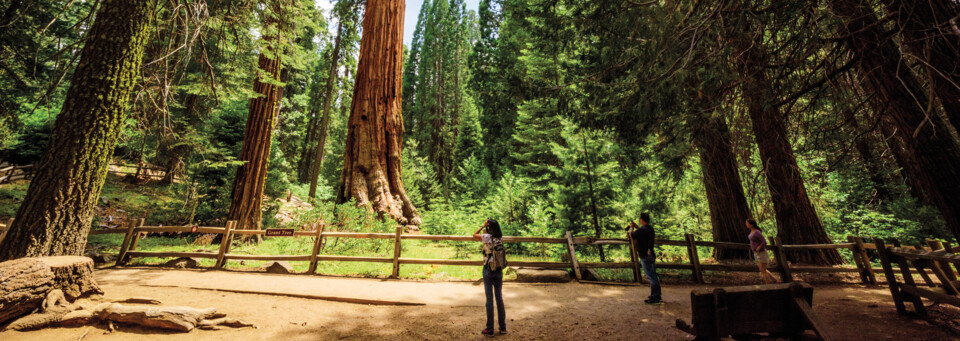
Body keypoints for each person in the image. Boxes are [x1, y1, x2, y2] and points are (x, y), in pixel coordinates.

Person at [473, 218, 506, 336]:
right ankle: (502, 327)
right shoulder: (500, 238)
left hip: (488, 269)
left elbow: (474, 235)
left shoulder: (486, 237)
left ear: (489, 227)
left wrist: (482, 226)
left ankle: (490, 329)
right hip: (498, 269)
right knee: (499, 298)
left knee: (489, 300)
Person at [628, 213, 662, 304]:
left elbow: (632, 235)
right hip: (651, 254)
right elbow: (641, 233)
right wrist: (637, 227)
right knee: (653, 275)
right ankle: (656, 295)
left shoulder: (642, 230)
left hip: (645, 256)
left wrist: (631, 227)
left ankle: (655, 298)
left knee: (651, 276)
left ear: (642, 220)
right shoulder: (650, 229)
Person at [746, 218, 781, 284]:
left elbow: (764, 242)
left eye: (747, 223)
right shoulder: (751, 231)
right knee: (762, 270)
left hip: (761, 253)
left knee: (763, 270)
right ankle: (776, 279)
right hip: (756, 253)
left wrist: (759, 247)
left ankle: (768, 286)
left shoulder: (757, 232)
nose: (746, 224)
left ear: (751, 225)